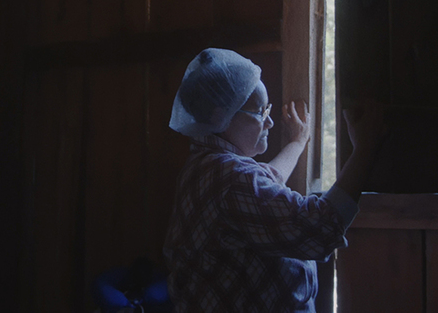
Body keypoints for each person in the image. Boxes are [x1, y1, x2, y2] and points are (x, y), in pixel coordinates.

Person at [162, 48, 386, 313]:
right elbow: (320, 228)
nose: (269, 122)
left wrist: (297, 142)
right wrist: (365, 150)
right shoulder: (232, 179)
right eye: (259, 112)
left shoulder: (205, 165)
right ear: (220, 116)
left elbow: (265, 182)